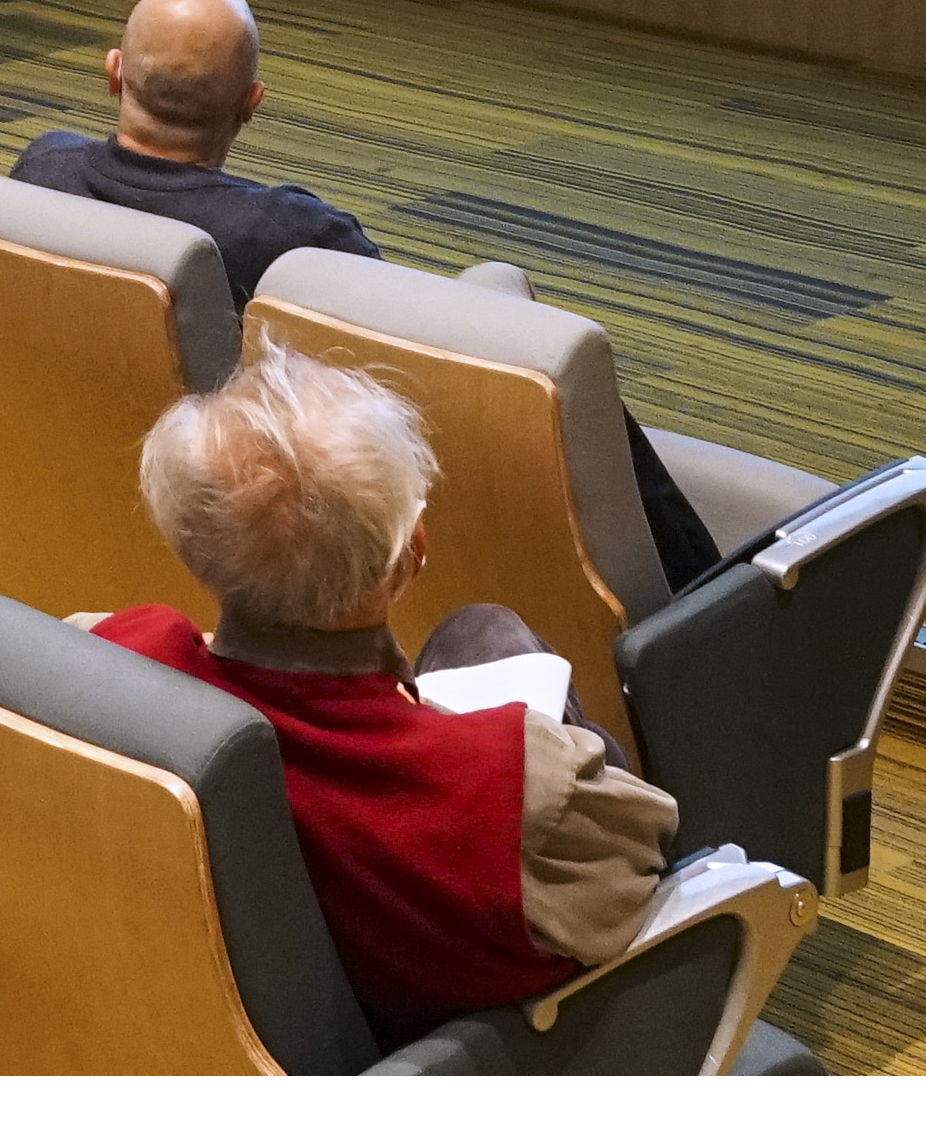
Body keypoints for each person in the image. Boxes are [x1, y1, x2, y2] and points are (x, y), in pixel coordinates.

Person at [19, 0, 733, 592]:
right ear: (251, 104)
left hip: (68, 499)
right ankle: (703, 593)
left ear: (113, 72)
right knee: (522, 327)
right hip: (283, 530)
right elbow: (403, 383)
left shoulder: (38, 176)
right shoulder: (291, 237)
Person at [93, 344, 682, 1048]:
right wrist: (487, 740)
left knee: (479, 629)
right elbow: (644, 865)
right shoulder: (513, 793)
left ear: (194, 550)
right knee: (505, 646)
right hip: (480, 1056)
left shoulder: (115, 666)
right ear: (413, 551)